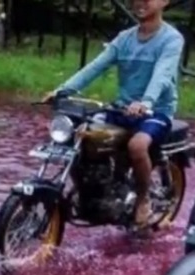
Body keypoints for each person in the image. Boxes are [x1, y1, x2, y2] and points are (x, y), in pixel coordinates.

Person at [43, 0, 184, 228]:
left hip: (155, 111)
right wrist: (62, 91)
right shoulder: (124, 38)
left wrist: (146, 101)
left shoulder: (171, 39)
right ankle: (95, 190)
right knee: (80, 134)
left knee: (137, 146)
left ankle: (142, 199)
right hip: (121, 108)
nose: (141, 2)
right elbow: (95, 66)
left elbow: (162, 74)